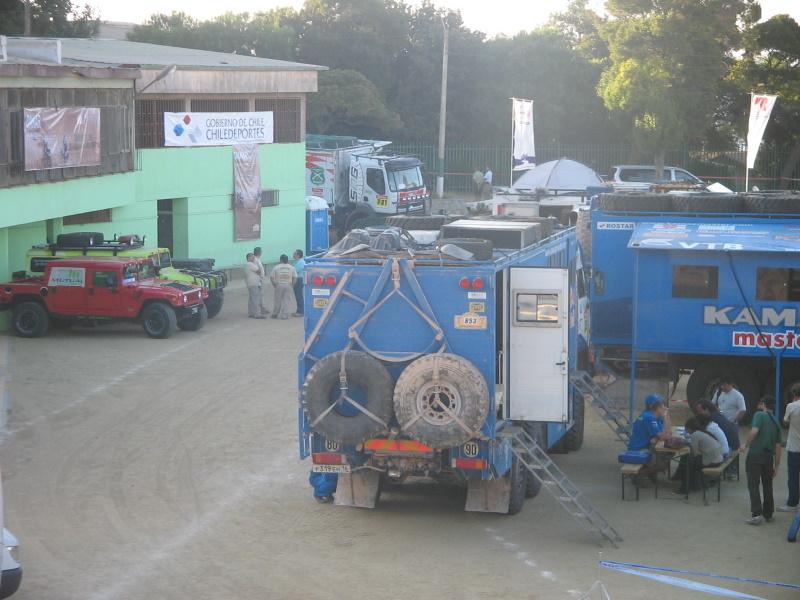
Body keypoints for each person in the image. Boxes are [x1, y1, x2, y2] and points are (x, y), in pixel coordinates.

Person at [742, 395, 782, 525]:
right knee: (767, 485)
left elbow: (754, 432)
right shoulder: (776, 423)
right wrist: (776, 466)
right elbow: (778, 447)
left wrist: (745, 445)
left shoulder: (759, 415)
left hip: (755, 454)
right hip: (768, 457)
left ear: (764, 404)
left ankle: (756, 514)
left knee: (753, 484)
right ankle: (769, 514)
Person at [627, 395, 672, 484]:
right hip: (640, 448)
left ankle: (649, 474)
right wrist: (666, 416)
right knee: (663, 463)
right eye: (662, 406)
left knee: (666, 453)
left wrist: (666, 417)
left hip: (645, 445)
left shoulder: (651, 415)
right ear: (656, 408)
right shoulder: (649, 417)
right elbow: (664, 436)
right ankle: (639, 474)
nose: (664, 407)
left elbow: (667, 432)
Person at [676, 417, 724, 495]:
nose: (687, 431)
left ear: (689, 428)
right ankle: (695, 485)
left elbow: (695, 453)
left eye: (686, 429)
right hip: (718, 459)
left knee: (686, 462)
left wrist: (689, 445)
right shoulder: (702, 432)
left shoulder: (695, 434)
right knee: (688, 460)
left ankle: (684, 489)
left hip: (711, 461)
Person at [695, 399, 740, 479]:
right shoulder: (717, 415)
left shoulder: (711, 420)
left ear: (707, 409)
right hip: (733, 446)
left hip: (729, 450)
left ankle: (701, 480)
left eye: (700, 411)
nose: (698, 414)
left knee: (696, 456)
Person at [778, 384, 800, 513]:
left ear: (794, 394)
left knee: (793, 476)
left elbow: (785, 422)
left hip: (794, 447)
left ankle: (792, 503)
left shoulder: (792, 406)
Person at [270, 254, 297, 319]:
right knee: (287, 300)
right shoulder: (292, 267)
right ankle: (285, 315)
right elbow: (295, 277)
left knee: (277, 300)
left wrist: (274, 284)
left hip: (279, 284)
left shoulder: (276, 267)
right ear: (287, 260)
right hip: (288, 285)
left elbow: (271, 277)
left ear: (280, 260)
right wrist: (292, 285)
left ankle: (275, 314)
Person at [244, 253, 265, 319]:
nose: (253, 258)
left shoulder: (248, 264)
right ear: (248, 258)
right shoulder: (250, 264)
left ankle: (251, 313)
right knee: (256, 299)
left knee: (252, 299)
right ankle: (257, 314)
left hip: (251, 283)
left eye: (253, 257)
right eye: (252, 257)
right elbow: (259, 271)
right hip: (254, 283)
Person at [253, 246, 268, 316]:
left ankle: (262, 308)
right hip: (259, 279)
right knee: (259, 295)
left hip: (260, 278)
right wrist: (259, 278)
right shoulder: (255, 260)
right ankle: (261, 309)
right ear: (259, 252)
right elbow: (256, 270)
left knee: (261, 294)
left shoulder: (257, 259)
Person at [292, 249, 305, 317]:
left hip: (299, 279)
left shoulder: (300, 262)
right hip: (298, 279)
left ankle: (301, 311)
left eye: (295, 253)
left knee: (299, 296)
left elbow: (294, 271)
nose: (293, 254)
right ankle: (299, 310)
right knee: (298, 295)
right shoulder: (297, 262)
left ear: (298, 255)